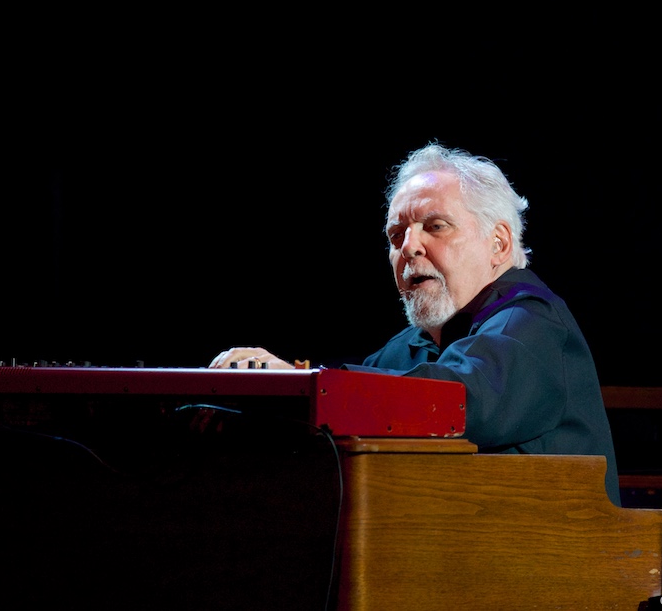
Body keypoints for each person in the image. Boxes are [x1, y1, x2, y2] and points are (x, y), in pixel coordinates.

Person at [210, 141, 619, 502]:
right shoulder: (409, 347)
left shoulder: (532, 323)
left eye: (435, 227)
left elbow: (461, 398)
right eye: (396, 235)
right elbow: (348, 412)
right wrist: (241, 405)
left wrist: (305, 384)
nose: (409, 247)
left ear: (498, 243)